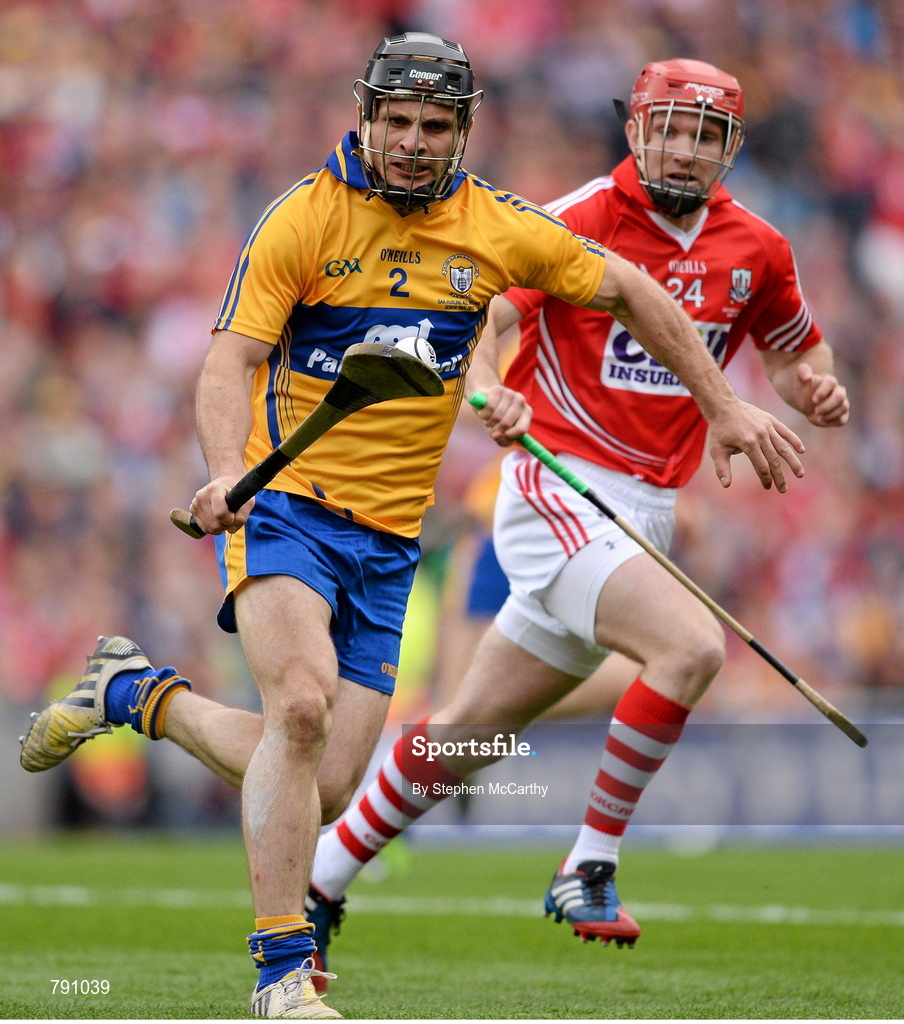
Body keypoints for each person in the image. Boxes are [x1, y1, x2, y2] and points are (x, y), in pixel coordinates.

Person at [18, 39, 807, 1018]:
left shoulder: (498, 227)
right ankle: (281, 971)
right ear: (366, 116)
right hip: (287, 507)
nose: (412, 142)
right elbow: (228, 365)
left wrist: (723, 405)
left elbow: (632, 291)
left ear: (462, 129)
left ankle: (135, 692)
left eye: (435, 126)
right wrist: (225, 470)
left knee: (333, 780)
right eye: (397, 121)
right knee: (299, 712)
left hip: (389, 540)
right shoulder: (303, 218)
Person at [299, 57, 850, 966]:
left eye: (705, 134)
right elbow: (486, 323)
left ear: (730, 150)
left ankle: (321, 875)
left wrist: (813, 393)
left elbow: (797, 356)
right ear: (635, 129)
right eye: (668, 126)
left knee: (466, 740)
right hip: (559, 488)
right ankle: (589, 860)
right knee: (693, 647)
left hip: (649, 511)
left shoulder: (759, 249)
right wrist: (486, 395)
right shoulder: (577, 218)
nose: (684, 147)